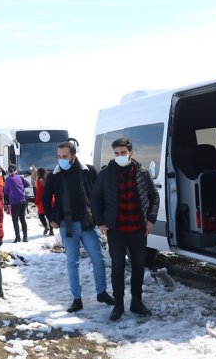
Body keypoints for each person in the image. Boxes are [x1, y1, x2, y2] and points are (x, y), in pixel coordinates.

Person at [91, 137, 160, 320]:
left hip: (138, 230)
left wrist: (151, 219)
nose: (120, 156)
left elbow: (154, 197)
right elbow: (95, 199)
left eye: (123, 152)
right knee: (118, 268)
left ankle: (136, 302)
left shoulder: (142, 173)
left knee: (138, 266)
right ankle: (119, 304)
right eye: (117, 153)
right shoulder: (106, 174)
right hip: (117, 230)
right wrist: (100, 222)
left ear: (131, 153)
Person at [42, 141, 115, 313]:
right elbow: (46, 199)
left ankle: (102, 293)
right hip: (67, 225)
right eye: (59, 156)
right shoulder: (54, 175)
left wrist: (102, 219)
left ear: (74, 155)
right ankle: (77, 299)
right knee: (72, 262)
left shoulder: (88, 171)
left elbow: (101, 195)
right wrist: (52, 218)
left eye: (65, 156)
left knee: (99, 259)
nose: (61, 159)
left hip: (89, 224)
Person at [3, 164, 30, 242]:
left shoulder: (8, 180)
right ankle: (25, 237)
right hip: (22, 201)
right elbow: (27, 184)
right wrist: (20, 188)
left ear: (8, 171)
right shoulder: (20, 177)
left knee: (15, 220)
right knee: (23, 219)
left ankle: (18, 237)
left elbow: (5, 191)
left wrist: (12, 191)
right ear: (16, 170)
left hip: (14, 202)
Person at [35, 167, 53, 236]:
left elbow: (39, 192)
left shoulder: (39, 181)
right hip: (50, 199)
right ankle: (51, 230)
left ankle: (46, 227)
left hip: (42, 200)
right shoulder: (49, 179)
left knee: (41, 215)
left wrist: (36, 201)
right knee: (49, 215)